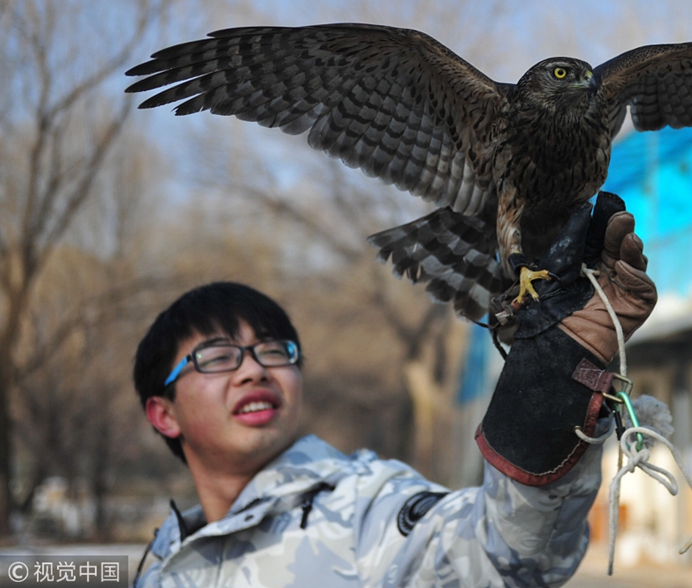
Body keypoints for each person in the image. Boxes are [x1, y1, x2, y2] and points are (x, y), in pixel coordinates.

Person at [132, 194, 657, 587]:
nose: (254, 370)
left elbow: (502, 557)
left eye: (273, 351)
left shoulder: (362, 507)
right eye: (217, 357)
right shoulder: (159, 562)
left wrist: (554, 375)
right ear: (162, 414)